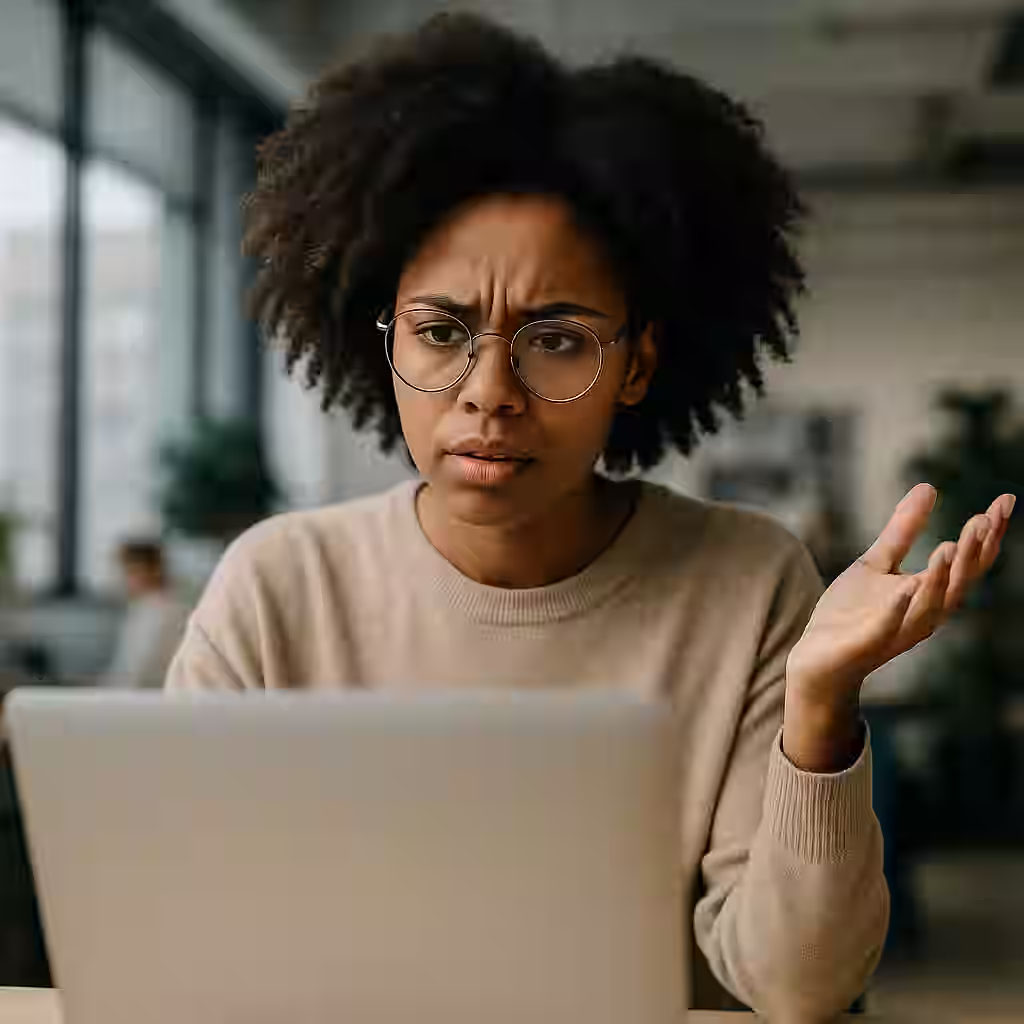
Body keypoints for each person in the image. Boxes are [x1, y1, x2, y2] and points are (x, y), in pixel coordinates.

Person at [165, 14, 1016, 1019]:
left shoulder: (746, 581)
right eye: (441, 332)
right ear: (379, 333)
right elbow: (182, 930)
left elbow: (800, 989)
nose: (490, 390)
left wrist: (819, 710)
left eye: (556, 341)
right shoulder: (278, 584)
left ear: (637, 364)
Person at [104, 539, 190, 690]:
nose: (123, 580)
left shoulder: (166, 612)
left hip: (146, 700)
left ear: (155, 569)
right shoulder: (144, 607)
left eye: (130, 571)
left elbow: (139, 675)